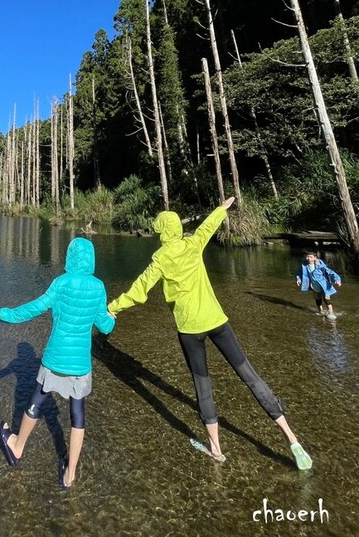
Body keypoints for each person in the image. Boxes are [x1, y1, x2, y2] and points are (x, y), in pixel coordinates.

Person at [108, 198, 313, 470]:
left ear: (161, 233)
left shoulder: (160, 259)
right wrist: (222, 208)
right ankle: (292, 439)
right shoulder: (193, 244)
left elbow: (139, 291)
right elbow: (207, 227)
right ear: (178, 230)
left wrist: (112, 309)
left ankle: (216, 450)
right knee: (250, 376)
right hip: (218, 321)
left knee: (203, 388)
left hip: (190, 331)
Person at [0, 237, 115, 489]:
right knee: (77, 415)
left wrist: (2, 314)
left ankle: (17, 446)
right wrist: (112, 319)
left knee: (36, 401)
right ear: (91, 259)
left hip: (54, 359)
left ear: (69, 257)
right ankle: (69, 474)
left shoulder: (60, 283)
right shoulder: (98, 287)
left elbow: (34, 308)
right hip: (80, 364)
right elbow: (104, 326)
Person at [296, 251, 342, 320]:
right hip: (314, 285)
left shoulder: (320, 266)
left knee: (327, 299)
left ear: (315, 258)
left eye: (310, 257)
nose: (308, 258)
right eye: (307, 257)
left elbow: (331, 272)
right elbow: (300, 273)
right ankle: (320, 311)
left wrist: (337, 280)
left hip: (324, 285)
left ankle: (331, 312)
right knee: (318, 299)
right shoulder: (304, 265)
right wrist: (299, 279)